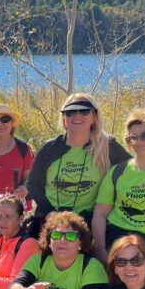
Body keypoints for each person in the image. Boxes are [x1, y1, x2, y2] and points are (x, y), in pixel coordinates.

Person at [93, 108, 145, 279]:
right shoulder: (117, 172)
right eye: (133, 137)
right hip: (118, 250)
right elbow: (100, 214)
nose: (139, 141)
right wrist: (101, 251)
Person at [29, 93, 130, 233]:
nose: (77, 115)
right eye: (70, 112)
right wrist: (50, 214)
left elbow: (135, 170)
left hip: (88, 224)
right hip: (51, 223)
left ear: (94, 117)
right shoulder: (50, 148)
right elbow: (33, 184)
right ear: (64, 118)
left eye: (84, 110)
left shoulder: (107, 146)